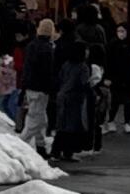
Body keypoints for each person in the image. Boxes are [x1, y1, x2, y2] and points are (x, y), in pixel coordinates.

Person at [20, 19, 56, 157]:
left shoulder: (31, 45)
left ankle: (40, 146)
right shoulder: (48, 49)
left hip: (30, 86)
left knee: (39, 117)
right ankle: (20, 144)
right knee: (36, 120)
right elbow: (48, 71)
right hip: (42, 88)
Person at [50, 40, 90, 163]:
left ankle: (57, 152)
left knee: (62, 126)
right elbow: (84, 83)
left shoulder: (66, 64)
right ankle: (67, 152)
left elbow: (60, 79)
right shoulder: (83, 67)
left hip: (63, 96)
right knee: (72, 127)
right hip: (75, 98)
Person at [104, 23, 130, 134]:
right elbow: (108, 62)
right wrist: (108, 77)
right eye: (119, 31)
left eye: (123, 31)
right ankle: (111, 121)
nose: (121, 33)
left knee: (129, 102)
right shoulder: (112, 44)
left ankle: (127, 122)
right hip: (116, 77)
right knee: (115, 101)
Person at [85, 44, 110, 154]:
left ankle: (91, 145)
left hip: (95, 95)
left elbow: (92, 82)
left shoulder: (92, 67)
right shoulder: (102, 66)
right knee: (99, 121)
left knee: (92, 121)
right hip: (103, 95)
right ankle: (97, 146)